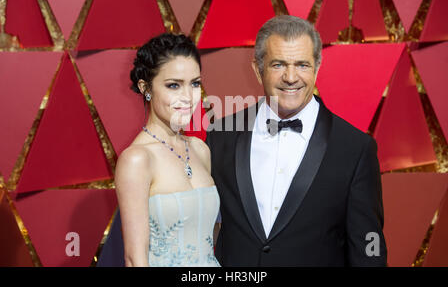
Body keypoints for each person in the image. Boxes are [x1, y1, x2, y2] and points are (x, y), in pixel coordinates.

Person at [206, 15, 387, 266]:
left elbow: (368, 251)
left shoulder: (355, 148)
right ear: (257, 70)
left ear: (317, 67)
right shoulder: (221, 135)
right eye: (278, 65)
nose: (291, 77)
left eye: (302, 65)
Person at [115, 33, 220, 267]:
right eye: (173, 85)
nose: (187, 97)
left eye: (194, 84)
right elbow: (135, 259)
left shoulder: (201, 150)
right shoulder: (137, 159)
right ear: (146, 88)